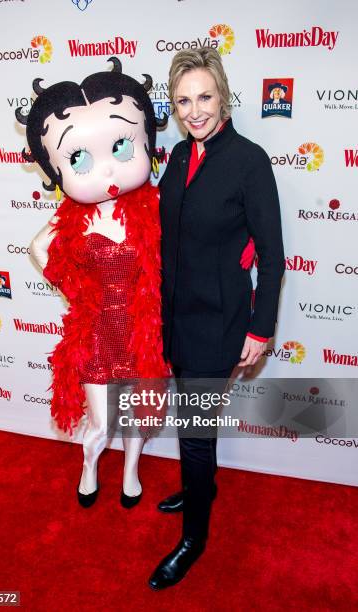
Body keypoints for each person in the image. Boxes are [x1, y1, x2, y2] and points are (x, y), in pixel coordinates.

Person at [149, 48, 285, 589]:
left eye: (204, 97)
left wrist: (260, 327)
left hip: (221, 323)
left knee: (195, 433)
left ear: (222, 95)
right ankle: (199, 483)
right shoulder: (180, 156)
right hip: (176, 318)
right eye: (183, 100)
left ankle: (193, 538)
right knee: (193, 426)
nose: (194, 110)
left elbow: (272, 256)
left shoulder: (249, 161)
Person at [16, 57, 169, 510]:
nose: (106, 171)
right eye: (79, 157)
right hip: (98, 334)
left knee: (140, 416)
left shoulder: (156, 206)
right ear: (55, 168)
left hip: (144, 333)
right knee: (101, 424)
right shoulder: (72, 220)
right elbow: (37, 248)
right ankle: (89, 466)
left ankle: (131, 472)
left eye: (121, 147)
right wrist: (74, 293)